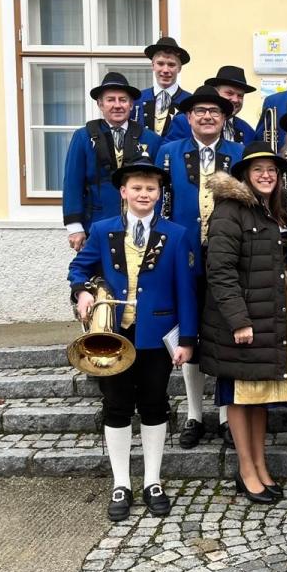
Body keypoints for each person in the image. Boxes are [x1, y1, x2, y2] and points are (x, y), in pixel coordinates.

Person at [67, 156, 196, 522]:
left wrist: (187, 339)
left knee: (155, 405)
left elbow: (186, 290)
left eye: (150, 188)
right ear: (123, 192)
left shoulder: (177, 234)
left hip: (157, 334)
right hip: (113, 336)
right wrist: (82, 291)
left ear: (160, 193)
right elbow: (79, 267)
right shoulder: (102, 229)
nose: (144, 194)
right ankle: (121, 483)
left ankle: (153, 480)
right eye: (136, 188)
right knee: (116, 406)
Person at [200, 142, 287, 505]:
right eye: (258, 169)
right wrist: (238, 320)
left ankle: (260, 465)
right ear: (245, 174)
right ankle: (246, 470)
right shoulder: (229, 210)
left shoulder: (278, 209)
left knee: (260, 397)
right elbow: (220, 270)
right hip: (242, 320)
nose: (266, 175)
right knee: (240, 397)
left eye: (272, 170)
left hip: (271, 314)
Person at [156, 85, 245, 450]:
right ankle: (194, 413)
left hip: (228, 257)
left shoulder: (238, 153)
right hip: (184, 255)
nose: (207, 116)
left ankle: (225, 415)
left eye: (215, 111)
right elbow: (159, 205)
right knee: (189, 332)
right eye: (200, 111)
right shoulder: (168, 153)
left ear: (224, 118)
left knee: (223, 332)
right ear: (189, 117)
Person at [64, 73, 163, 251]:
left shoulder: (151, 139)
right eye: (110, 100)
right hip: (95, 224)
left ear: (131, 104)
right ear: (100, 104)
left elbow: (159, 186)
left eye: (123, 100)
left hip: (142, 226)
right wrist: (74, 226)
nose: (117, 105)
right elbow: (72, 182)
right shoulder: (83, 136)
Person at [165, 66, 258, 145]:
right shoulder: (183, 122)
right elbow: (169, 155)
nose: (235, 99)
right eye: (229, 93)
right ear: (215, 93)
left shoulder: (247, 130)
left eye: (240, 96)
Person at [133, 37, 191, 137]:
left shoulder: (190, 101)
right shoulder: (138, 99)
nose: (165, 70)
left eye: (171, 65)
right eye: (160, 64)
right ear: (153, 66)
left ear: (179, 68)